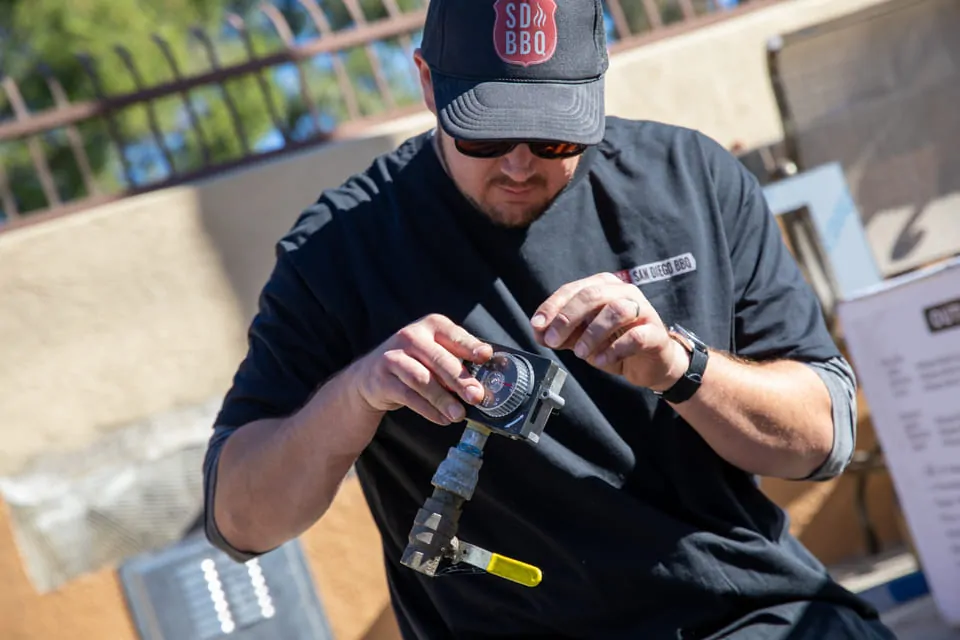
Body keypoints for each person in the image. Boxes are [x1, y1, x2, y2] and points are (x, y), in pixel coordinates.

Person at [202, 1, 897, 638]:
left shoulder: (691, 180)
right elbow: (241, 522)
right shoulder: (338, 252)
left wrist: (682, 369)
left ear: (596, 88)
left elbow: (820, 441)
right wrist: (356, 393)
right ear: (426, 83)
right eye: (484, 133)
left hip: (738, 615)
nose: (517, 163)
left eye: (552, 135)